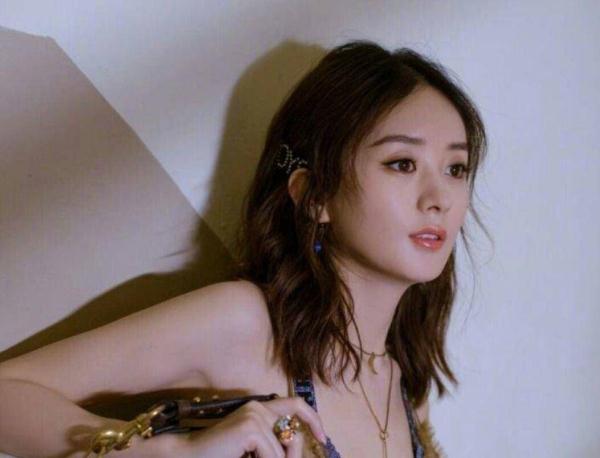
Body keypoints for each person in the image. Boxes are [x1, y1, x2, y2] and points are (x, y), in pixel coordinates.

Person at [0, 40, 487, 457]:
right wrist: (163, 451)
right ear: (314, 195)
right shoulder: (247, 323)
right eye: (402, 163)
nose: (439, 198)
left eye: (456, 169)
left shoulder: (405, 386)